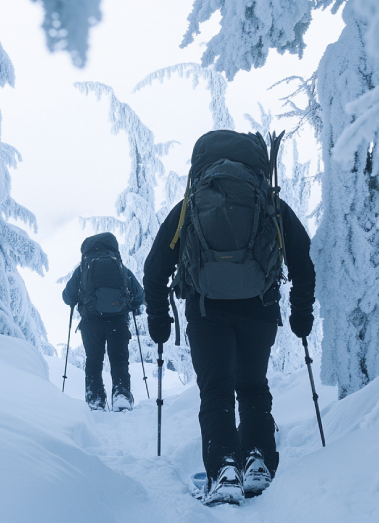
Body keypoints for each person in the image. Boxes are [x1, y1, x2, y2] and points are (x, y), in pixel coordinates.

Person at [143, 130, 315, 505]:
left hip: (207, 312)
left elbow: (155, 268)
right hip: (259, 309)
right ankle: (256, 461)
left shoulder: (190, 204)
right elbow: (303, 258)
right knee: (253, 387)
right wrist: (302, 312)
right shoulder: (268, 202)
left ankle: (224, 470)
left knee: (216, 392)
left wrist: (159, 318)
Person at [62, 232, 145, 412]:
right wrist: (132, 305)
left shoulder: (83, 269)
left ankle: (95, 399)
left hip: (91, 323)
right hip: (118, 321)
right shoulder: (120, 267)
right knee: (119, 359)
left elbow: (67, 296)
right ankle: (121, 395)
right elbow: (139, 294)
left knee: (93, 360)